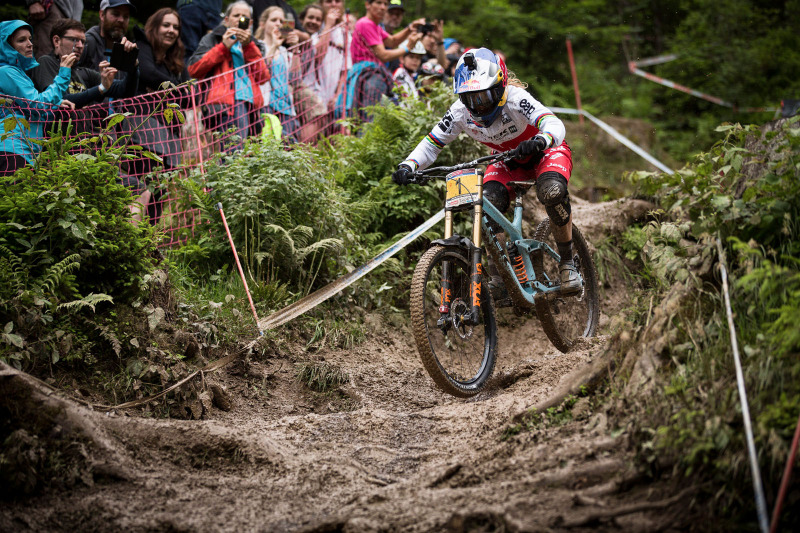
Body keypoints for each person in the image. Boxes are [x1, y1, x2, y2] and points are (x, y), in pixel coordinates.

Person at [392, 48, 582, 294]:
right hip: (507, 160)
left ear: (500, 88)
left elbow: (553, 122)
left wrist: (541, 140)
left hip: (544, 151)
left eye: (483, 97)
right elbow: (432, 143)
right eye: (470, 99)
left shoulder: (516, 98)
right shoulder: (460, 112)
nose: (478, 106)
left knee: (552, 191)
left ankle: (567, 263)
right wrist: (409, 165)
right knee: (487, 204)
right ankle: (501, 275)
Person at [127, 7, 191, 223]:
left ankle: (149, 244)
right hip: (144, 130)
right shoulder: (142, 46)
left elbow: (191, 97)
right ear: (154, 28)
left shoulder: (178, 63)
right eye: (166, 25)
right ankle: (131, 241)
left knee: (159, 195)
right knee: (141, 187)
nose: (171, 30)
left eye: (176, 27)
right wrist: (176, 90)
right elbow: (145, 71)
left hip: (171, 138)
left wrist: (163, 87)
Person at [187, 1, 269, 152]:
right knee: (233, 153)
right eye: (236, 15)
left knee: (240, 155)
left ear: (250, 23)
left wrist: (249, 46)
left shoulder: (255, 44)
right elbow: (194, 69)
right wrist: (223, 47)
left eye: (244, 17)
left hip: (251, 106)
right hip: (225, 105)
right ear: (226, 20)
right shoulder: (213, 38)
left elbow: (263, 77)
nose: (240, 19)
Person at [0, 20, 75, 176]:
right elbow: (37, 105)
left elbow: (30, 109)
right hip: (12, 150)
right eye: (21, 40)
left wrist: (56, 104)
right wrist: (63, 75)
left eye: (30, 39)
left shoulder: (17, 73)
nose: (30, 44)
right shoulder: (6, 72)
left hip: (25, 152)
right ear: (7, 46)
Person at [28, 18, 139, 109]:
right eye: (74, 40)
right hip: (54, 135)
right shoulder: (46, 62)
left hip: (82, 135)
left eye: (83, 41)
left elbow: (124, 91)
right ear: (57, 41)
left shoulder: (83, 72)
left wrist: (132, 66)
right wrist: (100, 89)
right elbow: (58, 101)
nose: (80, 46)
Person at [347, 0, 423, 114]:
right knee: (370, 118)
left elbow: (392, 41)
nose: (383, 7)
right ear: (367, 4)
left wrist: (409, 29)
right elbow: (383, 55)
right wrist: (408, 47)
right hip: (369, 76)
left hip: (372, 74)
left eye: (385, 4)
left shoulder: (375, 26)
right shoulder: (365, 23)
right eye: (378, 3)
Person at [255, 6, 305, 142]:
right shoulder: (257, 46)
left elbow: (295, 80)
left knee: (288, 149)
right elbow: (260, 72)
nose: (278, 23)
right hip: (266, 106)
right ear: (262, 24)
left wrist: (295, 50)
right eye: (273, 20)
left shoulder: (284, 51)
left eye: (281, 21)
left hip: (286, 108)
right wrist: (274, 46)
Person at [79, 0, 138, 73]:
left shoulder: (126, 50)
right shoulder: (85, 44)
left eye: (126, 16)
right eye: (116, 14)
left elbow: (127, 84)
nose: (121, 20)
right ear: (102, 15)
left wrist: (134, 66)